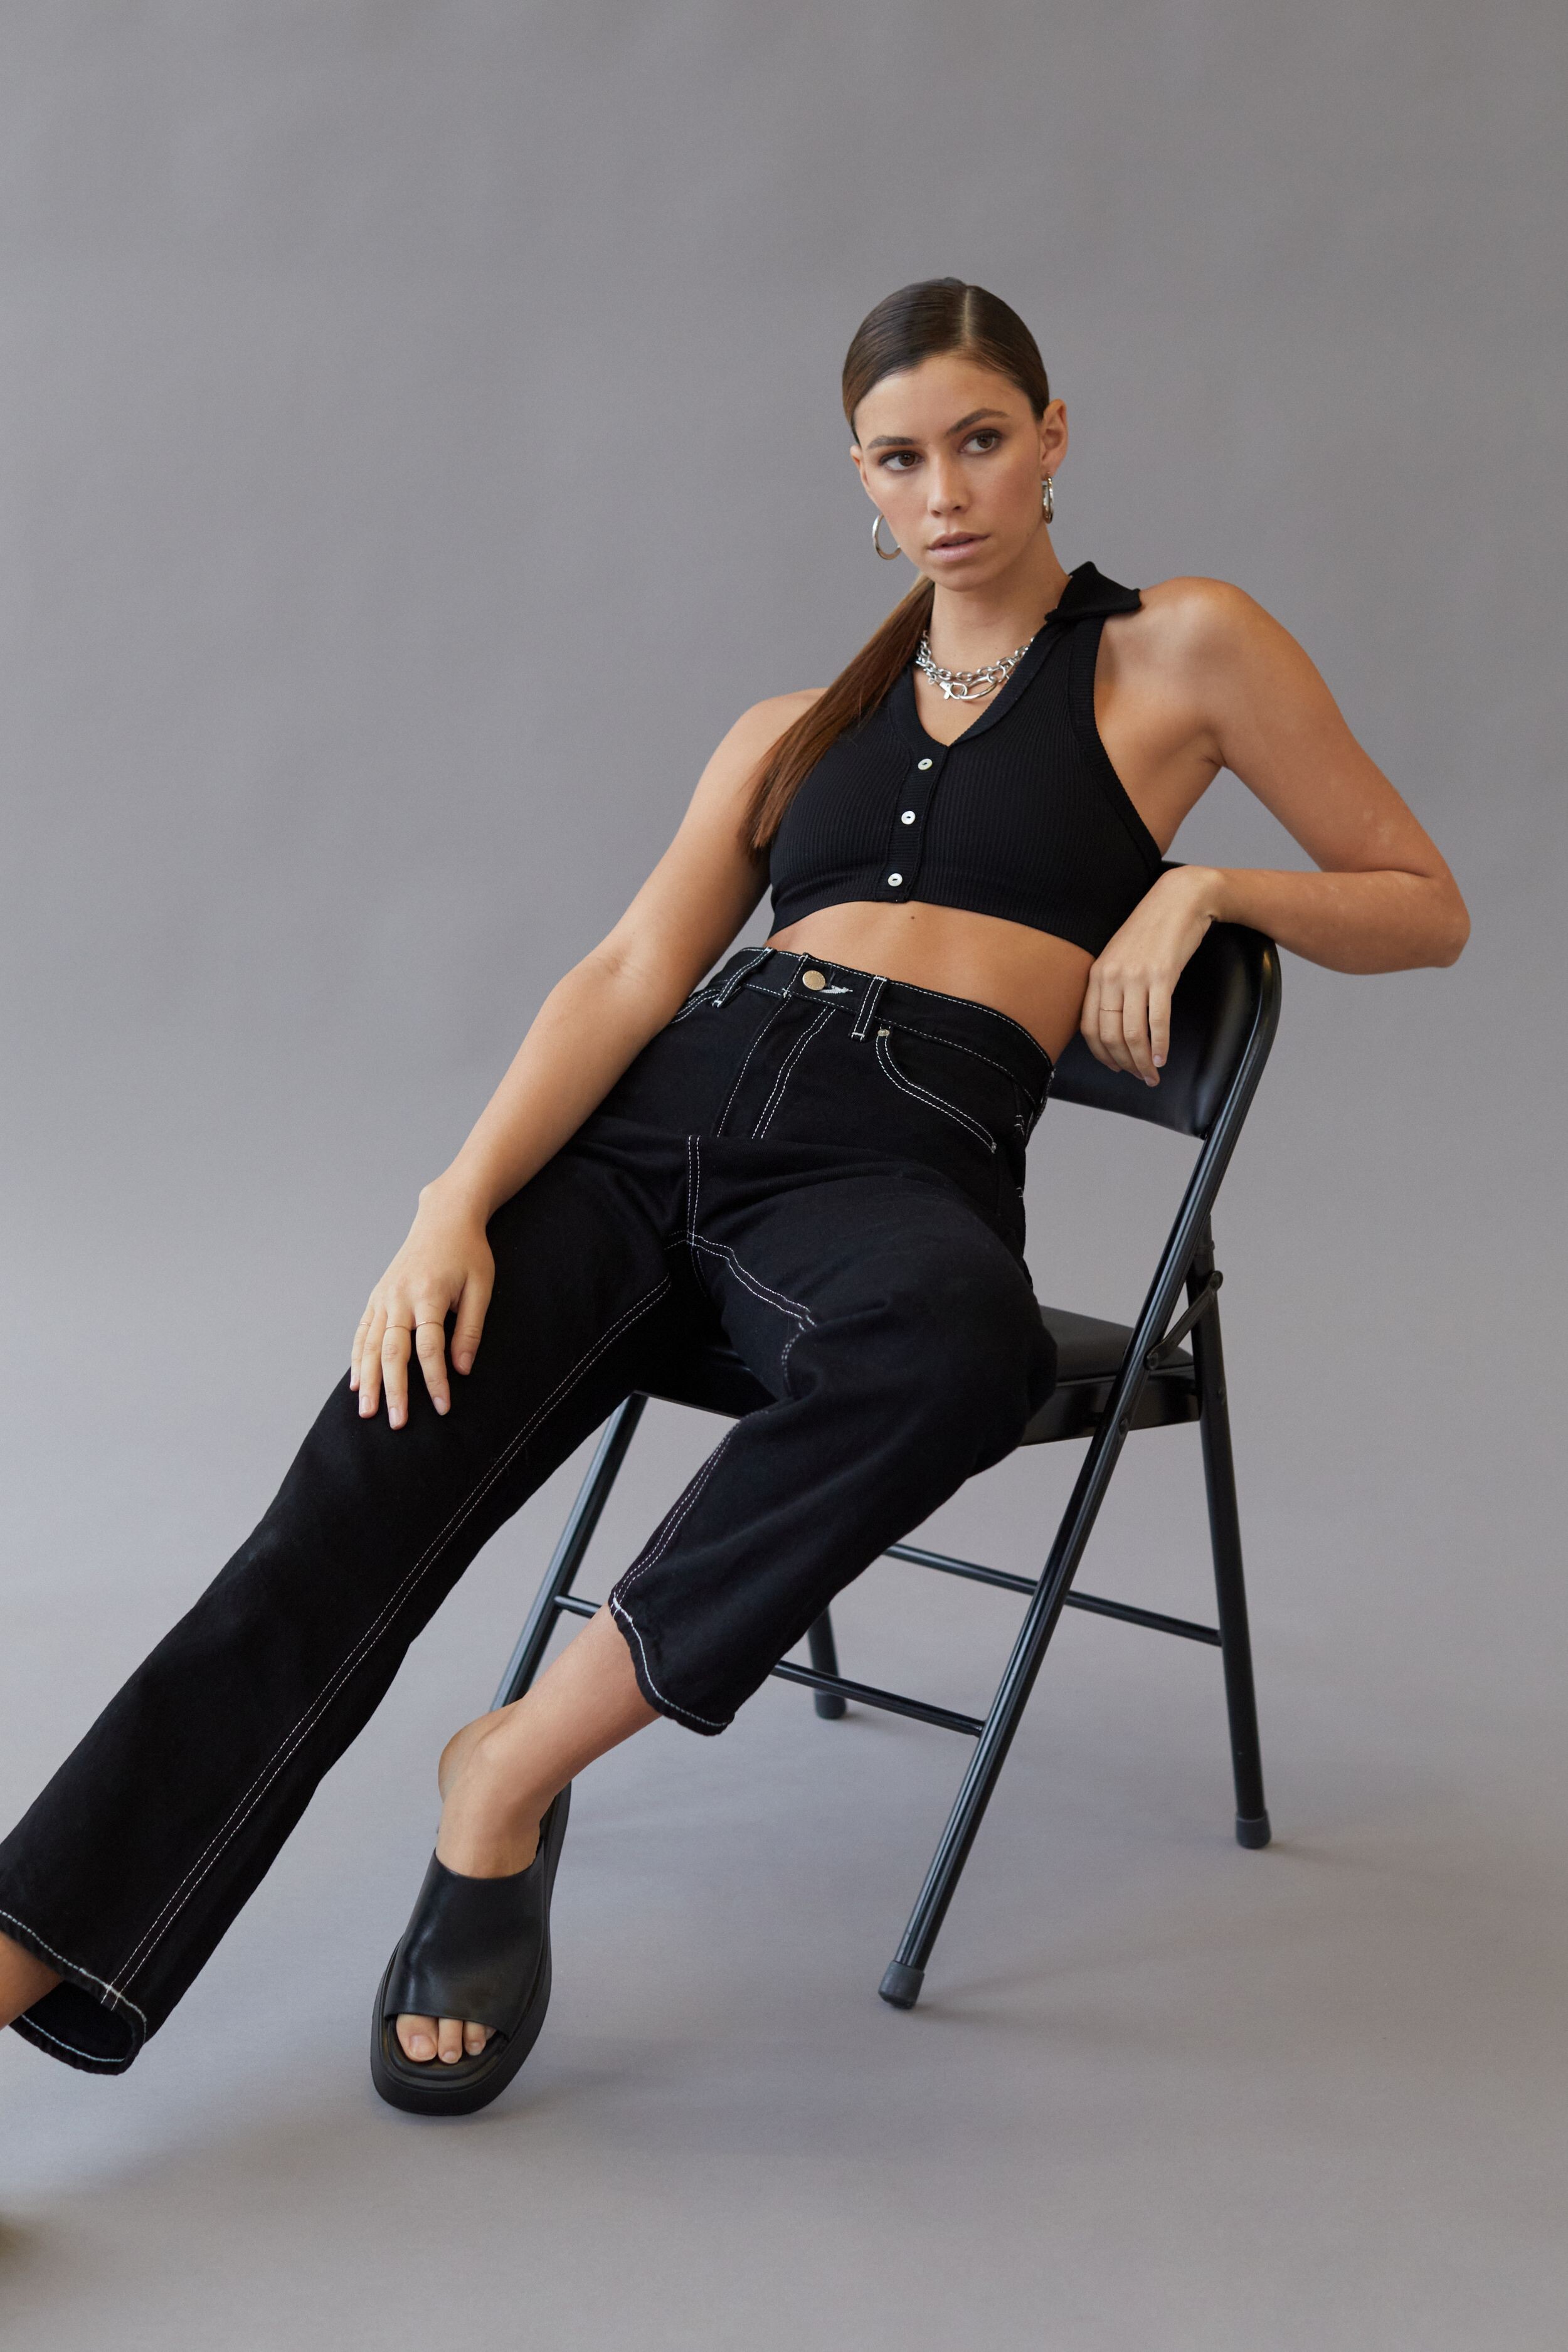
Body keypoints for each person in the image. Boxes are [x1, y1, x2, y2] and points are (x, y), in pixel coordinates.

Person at [0, 277, 1469, 2115]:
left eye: (980, 441)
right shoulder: (793, 728)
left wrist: (1207, 891)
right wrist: (451, 1204)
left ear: (1051, 437)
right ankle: (18, 1966)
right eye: (899, 458)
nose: (945, 490)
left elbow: (1423, 904)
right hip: (661, 1120)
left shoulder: (1177, 647)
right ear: (860, 479)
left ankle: (507, 1769)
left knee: (954, 1344)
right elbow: (630, 975)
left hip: (894, 1153)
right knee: (335, 1521)